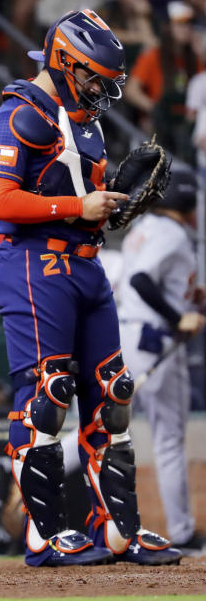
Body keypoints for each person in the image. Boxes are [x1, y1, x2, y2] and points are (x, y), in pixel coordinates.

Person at [0, 9, 181, 566]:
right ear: (66, 63)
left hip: (85, 264)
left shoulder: (80, 119)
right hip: (33, 264)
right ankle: (44, 537)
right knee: (48, 398)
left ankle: (119, 531)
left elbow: (80, 198)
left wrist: (108, 203)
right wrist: (77, 206)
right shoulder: (18, 115)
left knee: (113, 393)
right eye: (94, 76)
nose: (100, 89)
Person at [117, 170, 206, 554]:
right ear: (188, 206)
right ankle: (183, 534)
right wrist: (176, 317)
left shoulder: (148, 226)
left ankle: (29, 483)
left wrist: (188, 302)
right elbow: (140, 280)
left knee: (106, 425)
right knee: (168, 440)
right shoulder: (171, 233)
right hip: (153, 338)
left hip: (130, 332)